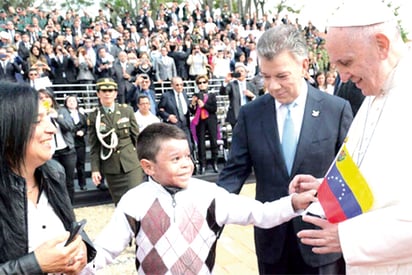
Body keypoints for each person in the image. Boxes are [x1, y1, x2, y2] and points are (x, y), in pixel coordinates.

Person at [81, 122, 317, 274]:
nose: (186, 164)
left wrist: (293, 203)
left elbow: (261, 214)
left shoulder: (209, 194)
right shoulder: (134, 201)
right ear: (148, 167)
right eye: (175, 159)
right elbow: (105, 249)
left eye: (187, 156)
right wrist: (78, 267)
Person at [217, 25, 354, 274]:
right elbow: (234, 173)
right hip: (272, 243)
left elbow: (351, 175)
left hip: (322, 241)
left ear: (304, 66)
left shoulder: (336, 110)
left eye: (281, 76)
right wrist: (207, 215)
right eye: (265, 76)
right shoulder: (251, 114)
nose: (272, 86)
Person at [293, 1, 412, 273]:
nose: (343, 77)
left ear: (381, 45)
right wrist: (325, 187)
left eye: (346, 62)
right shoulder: (375, 90)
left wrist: (348, 237)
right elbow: (374, 177)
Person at [0, 81, 96, 273]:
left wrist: (84, 247)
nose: (52, 129)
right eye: (38, 121)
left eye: (49, 118)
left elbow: (70, 227)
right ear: (8, 130)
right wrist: (34, 266)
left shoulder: (53, 173)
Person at [87, 77, 143, 205]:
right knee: (121, 204)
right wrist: (95, 169)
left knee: (137, 201)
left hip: (131, 163)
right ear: (98, 93)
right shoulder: (94, 116)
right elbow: (94, 146)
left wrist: (144, 159)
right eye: (104, 90)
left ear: (116, 93)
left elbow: (137, 138)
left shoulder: (126, 110)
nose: (107, 93)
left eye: (111, 90)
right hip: (111, 166)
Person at [38, 88, 77, 204]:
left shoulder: (62, 111)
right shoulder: (38, 114)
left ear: (52, 98)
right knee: (53, 180)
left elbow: (70, 127)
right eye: (41, 98)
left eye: (47, 97)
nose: (44, 100)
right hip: (50, 152)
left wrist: (57, 117)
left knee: (69, 181)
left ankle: (70, 206)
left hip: (66, 150)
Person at [189, 74, 219, 175]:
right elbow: (192, 111)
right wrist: (192, 104)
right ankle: (203, 165)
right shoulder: (196, 95)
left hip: (211, 120)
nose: (202, 85)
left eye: (204, 82)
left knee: (213, 142)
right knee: (201, 143)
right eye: (199, 83)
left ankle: (215, 162)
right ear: (197, 85)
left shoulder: (212, 95)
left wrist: (204, 105)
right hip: (200, 121)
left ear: (207, 83)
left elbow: (214, 109)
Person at [219, 62, 259, 128]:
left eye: (242, 71)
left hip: (249, 114)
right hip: (236, 115)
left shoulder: (251, 85)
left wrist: (252, 96)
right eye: (238, 71)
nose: (240, 73)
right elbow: (223, 92)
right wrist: (226, 82)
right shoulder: (232, 84)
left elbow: (258, 99)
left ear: (246, 73)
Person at [64, 95, 88, 191]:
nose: (72, 102)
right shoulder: (64, 115)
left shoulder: (82, 115)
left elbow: (86, 127)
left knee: (81, 164)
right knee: (69, 166)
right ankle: (69, 185)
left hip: (80, 142)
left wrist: (83, 132)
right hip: (69, 143)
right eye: (69, 101)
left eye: (74, 101)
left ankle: (82, 184)